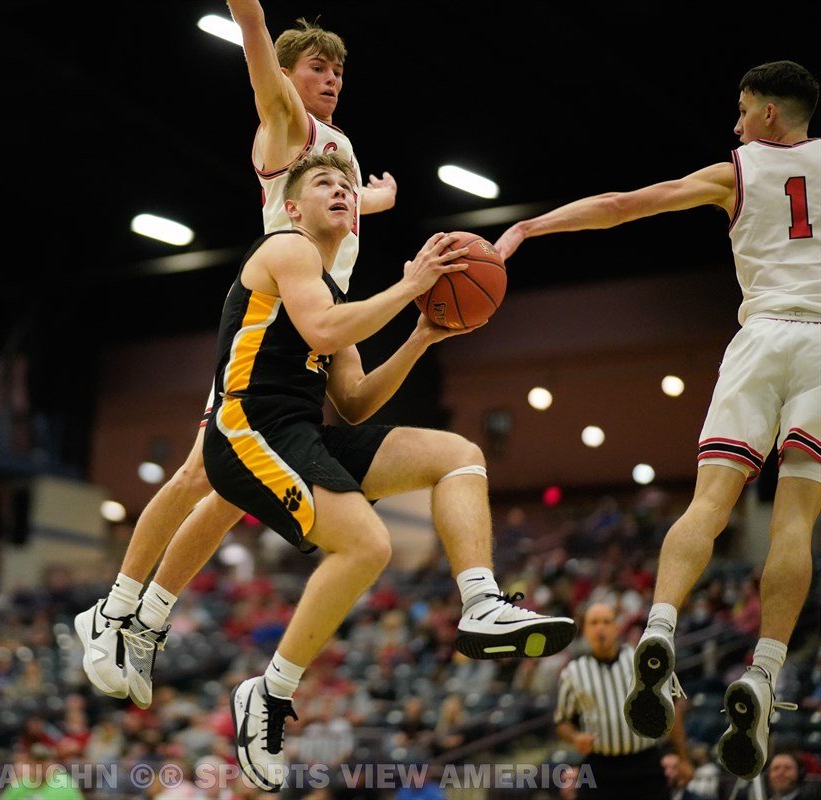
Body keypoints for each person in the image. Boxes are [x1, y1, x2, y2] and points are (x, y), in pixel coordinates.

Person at [76, 0, 572, 712]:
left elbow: (356, 390)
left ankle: (148, 619)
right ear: (287, 75)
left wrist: (375, 202)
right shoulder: (285, 122)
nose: (332, 78)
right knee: (199, 474)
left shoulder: (335, 157)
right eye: (317, 67)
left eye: (339, 68)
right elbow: (255, 40)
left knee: (225, 489)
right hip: (274, 324)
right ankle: (116, 610)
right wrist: (249, 15)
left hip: (321, 318)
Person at [200, 151, 571, 791]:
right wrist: (408, 286)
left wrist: (421, 334)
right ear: (293, 208)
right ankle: (270, 691)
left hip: (299, 433)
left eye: (347, 184)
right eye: (325, 183)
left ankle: (481, 603)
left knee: (459, 456)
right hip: (246, 429)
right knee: (369, 544)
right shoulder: (287, 248)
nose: (342, 190)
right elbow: (321, 333)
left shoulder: (331, 288)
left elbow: (354, 401)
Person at [496, 60, 819, 780]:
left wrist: (531, 225)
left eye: (743, 110)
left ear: (768, 113)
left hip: (763, 335)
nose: (736, 123)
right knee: (797, 519)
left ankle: (661, 628)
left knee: (707, 504)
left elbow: (623, 205)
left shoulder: (736, 170)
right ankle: (765, 672)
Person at [554, 603, 692, 800]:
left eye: (606, 622)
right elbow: (562, 722)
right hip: (600, 768)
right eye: (593, 623)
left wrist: (684, 758)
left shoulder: (641, 661)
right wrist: (575, 737)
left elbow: (673, 710)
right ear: (585, 630)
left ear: (617, 627)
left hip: (645, 765)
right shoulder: (573, 673)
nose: (600, 628)